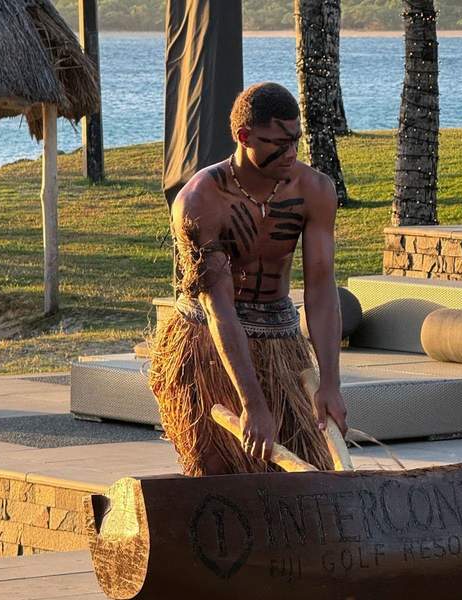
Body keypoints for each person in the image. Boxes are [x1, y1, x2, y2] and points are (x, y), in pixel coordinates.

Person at [149, 82, 347, 476]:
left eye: (296, 140)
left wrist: (331, 383)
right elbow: (218, 306)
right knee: (220, 475)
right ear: (244, 137)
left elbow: (322, 289)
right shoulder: (200, 201)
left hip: (280, 340)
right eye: (278, 143)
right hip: (208, 344)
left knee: (307, 473)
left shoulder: (315, 190)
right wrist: (252, 402)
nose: (291, 152)